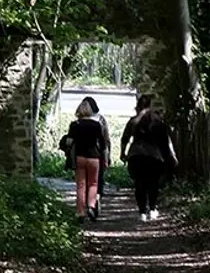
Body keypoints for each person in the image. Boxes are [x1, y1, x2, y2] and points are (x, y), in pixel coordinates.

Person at [121, 94, 177, 222]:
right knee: (153, 184)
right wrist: (171, 156)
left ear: (138, 106)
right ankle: (152, 209)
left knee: (139, 183)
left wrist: (123, 153)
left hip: (136, 155)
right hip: (154, 156)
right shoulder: (158, 121)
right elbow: (165, 141)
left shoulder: (133, 121)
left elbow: (125, 138)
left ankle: (142, 212)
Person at [65, 101, 112, 221]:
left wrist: (68, 152)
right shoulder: (96, 125)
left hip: (80, 157)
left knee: (80, 185)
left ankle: (80, 212)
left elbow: (69, 142)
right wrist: (105, 158)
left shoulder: (75, 125)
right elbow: (103, 144)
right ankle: (91, 206)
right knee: (93, 184)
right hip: (94, 158)